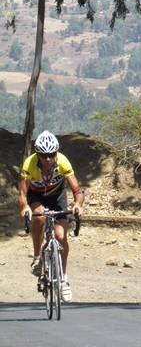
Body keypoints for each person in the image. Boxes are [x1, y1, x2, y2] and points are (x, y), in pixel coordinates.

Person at [17, 130, 84, 303]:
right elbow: (22, 194)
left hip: (57, 196)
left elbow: (77, 190)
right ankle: (37, 257)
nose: (48, 159)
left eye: (51, 154)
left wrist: (78, 204)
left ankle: (63, 279)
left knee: (61, 237)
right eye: (44, 155)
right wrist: (25, 207)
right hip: (36, 196)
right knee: (39, 218)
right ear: (37, 154)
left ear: (56, 153)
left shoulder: (62, 161)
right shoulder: (29, 164)